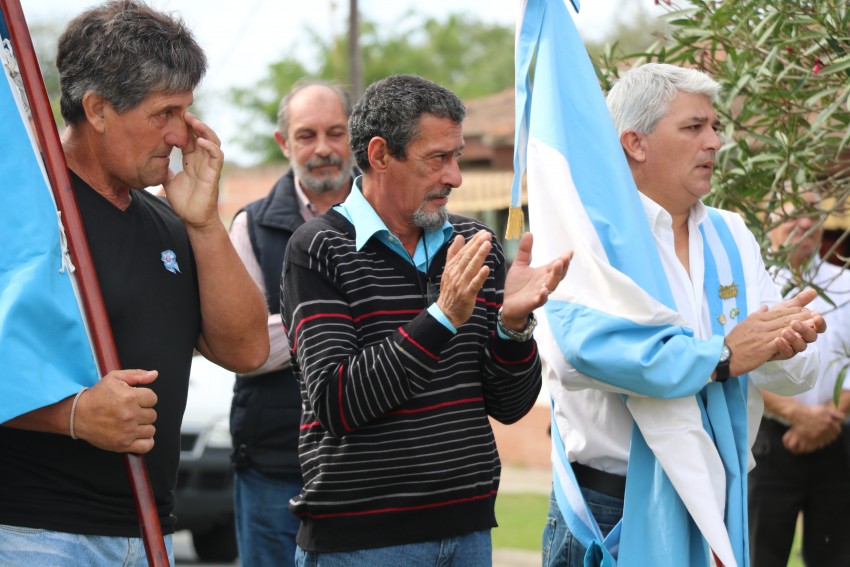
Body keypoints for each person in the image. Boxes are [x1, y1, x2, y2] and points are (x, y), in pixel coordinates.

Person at [0, 1, 268, 565]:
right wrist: (73, 415)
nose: (180, 134)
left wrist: (203, 220)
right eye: (162, 113)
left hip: (151, 534)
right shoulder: (25, 216)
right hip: (34, 532)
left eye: (185, 110)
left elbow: (245, 350)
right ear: (97, 109)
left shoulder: (171, 219)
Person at [537, 62, 826, 566]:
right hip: (611, 507)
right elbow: (572, 358)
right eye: (694, 127)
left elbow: (794, 373)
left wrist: (785, 344)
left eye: (714, 126)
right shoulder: (587, 233)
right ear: (635, 143)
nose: (714, 142)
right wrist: (724, 354)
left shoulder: (731, 234)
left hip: (717, 491)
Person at [280, 73, 573, 566]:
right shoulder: (317, 249)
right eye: (438, 158)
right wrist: (441, 317)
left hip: (468, 533)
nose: (455, 176)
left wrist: (514, 328)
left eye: (456, 156)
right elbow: (337, 401)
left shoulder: (476, 244)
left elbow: (509, 405)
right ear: (379, 156)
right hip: (359, 544)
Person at [229, 79, 356, 566]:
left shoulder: (390, 220)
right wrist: (348, 316)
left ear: (356, 138)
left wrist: (292, 326)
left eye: (335, 132)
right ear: (284, 144)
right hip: (274, 465)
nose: (323, 149)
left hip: (369, 465)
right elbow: (244, 348)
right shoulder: (252, 226)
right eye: (306, 135)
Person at [749, 192, 850, 567]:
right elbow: (739, 363)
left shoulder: (845, 284)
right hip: (769, 445)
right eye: (795, 215)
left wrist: (825, 419)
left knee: (836, 554)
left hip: (837, 439)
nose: (805, 224)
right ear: (771, 221)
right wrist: (797, 415)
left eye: (813, 216)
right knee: (761, 554)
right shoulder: (752, 287)